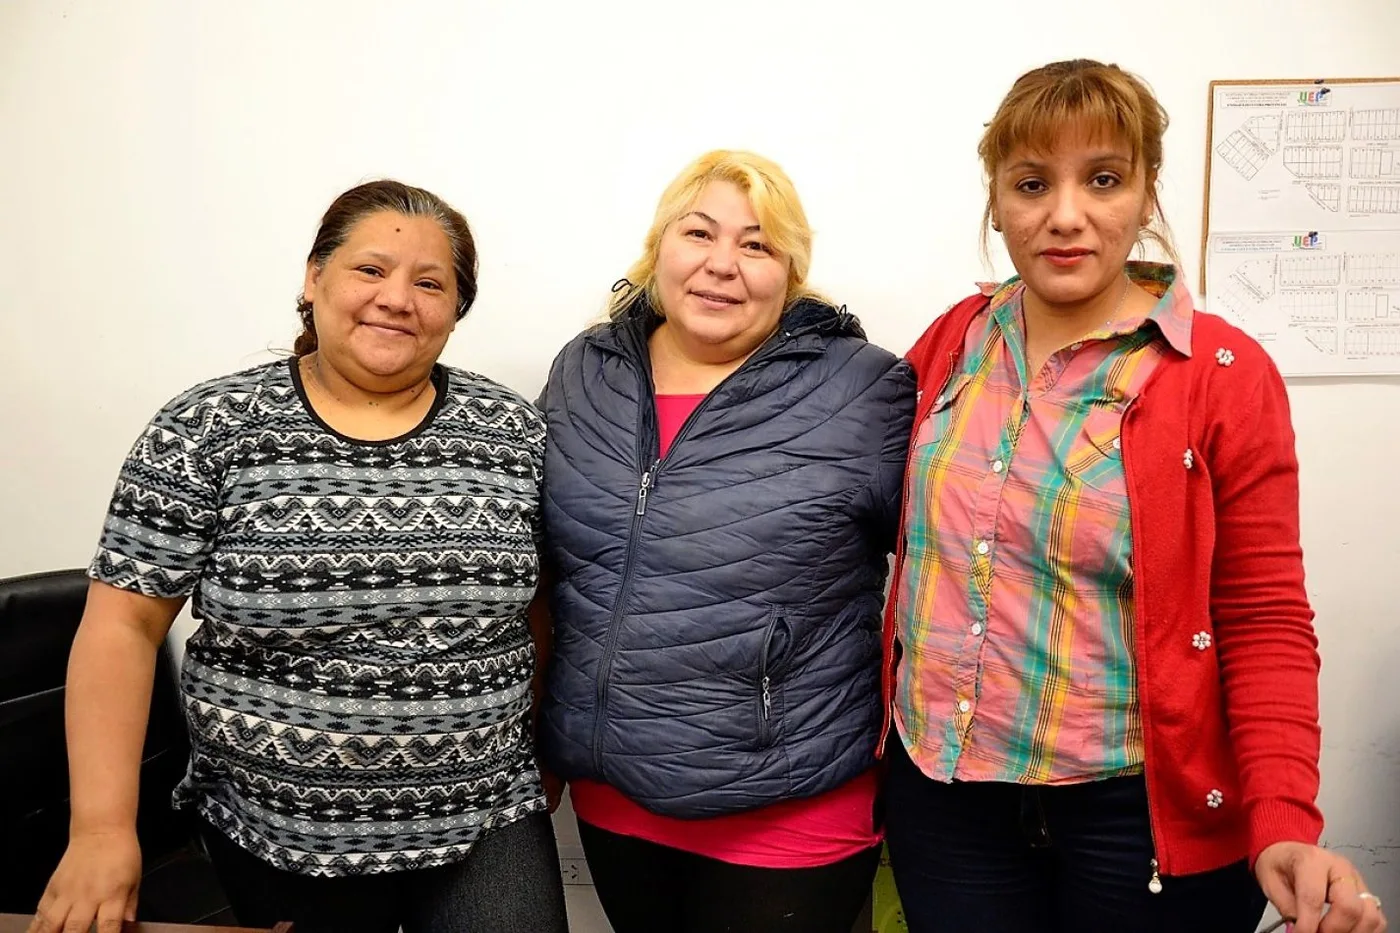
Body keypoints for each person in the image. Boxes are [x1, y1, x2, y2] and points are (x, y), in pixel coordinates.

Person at [880, 59, 1384, 933]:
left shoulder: (1221, 375)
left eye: (1103, 178)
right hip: (949, 800)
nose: (1065, 215)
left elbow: (1263, 616)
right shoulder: (954, 344)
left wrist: (1282, 817)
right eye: (1032, 183)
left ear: (1147, 193)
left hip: (1138, 822)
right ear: (996, 200)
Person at [30, 180, 568, 933]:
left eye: (429, 282)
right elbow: (122, 627)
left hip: (484, 818)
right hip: (279, 835)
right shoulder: (208, 427)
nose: (397, 298)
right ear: (314, 279)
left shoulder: (512, 431)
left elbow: (539, 604)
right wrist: (101, 829)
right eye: (370, 269)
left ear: (455, 309)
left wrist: (543, 741)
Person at [535, 149, 915, 933]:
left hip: (790, 807)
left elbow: (935, 573)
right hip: (619, 801)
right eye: (699, 232)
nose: (721, 265)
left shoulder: (863, 387)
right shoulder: (585, 371)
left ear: (792, 272)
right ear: (659, 248)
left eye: (757, 244)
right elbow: (540, 563)